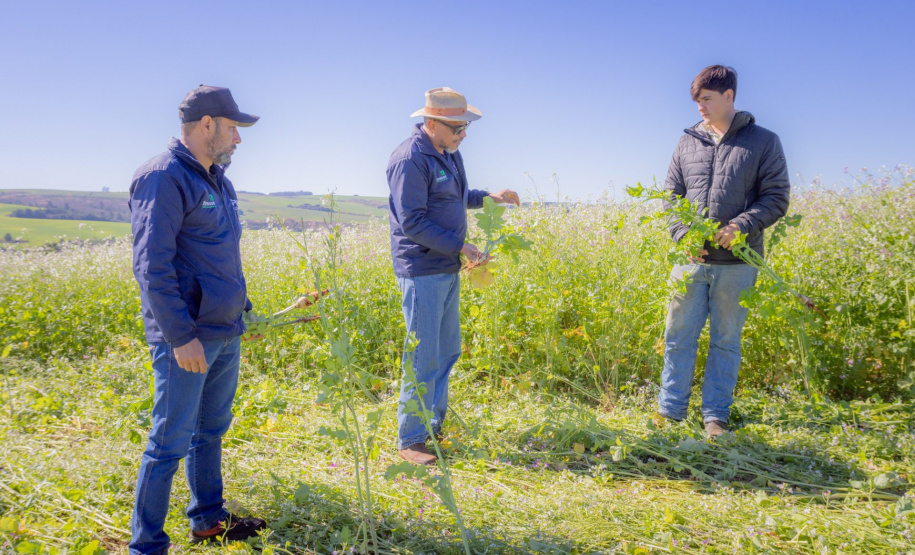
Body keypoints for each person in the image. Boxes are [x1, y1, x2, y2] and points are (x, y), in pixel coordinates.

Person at [127, 85, 266, 554]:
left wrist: (241, 309)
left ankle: (208, 520)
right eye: (233, 129)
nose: (238, 140)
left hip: (225, 330)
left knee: (211, 431)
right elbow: (152, 267)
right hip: (188, 339)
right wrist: (180, 336)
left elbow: (219, 254)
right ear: (206, 124)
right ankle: (147, 545)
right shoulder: (164, 177)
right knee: (169, 441)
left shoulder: (216, 180)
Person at [387, 87, 520, 465]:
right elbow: (412, 221)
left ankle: (432, 426)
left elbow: (454, 196)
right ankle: (411, 440)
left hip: (445, 266)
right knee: (422, 355)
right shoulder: (409, 160)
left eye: (465, 127)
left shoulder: (448, 154)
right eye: (456, 127)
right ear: (431, 124)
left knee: (446, 351)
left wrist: (490, 196)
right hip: (421, 269)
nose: (463, 134)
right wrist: (462, 247)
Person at [657, 66, 790, 437]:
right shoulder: (686, 142)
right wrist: (682, 234)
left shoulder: (764, 141)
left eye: (706, 99)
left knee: (726, 341)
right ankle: (670, 413)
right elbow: (670, 197)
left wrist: (741, 226)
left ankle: (715, 417)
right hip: (689, 261)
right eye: (697, 100)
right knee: (677, 336)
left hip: (737, 264)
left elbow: (776, 198)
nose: (700, 107)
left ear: (729, 96)